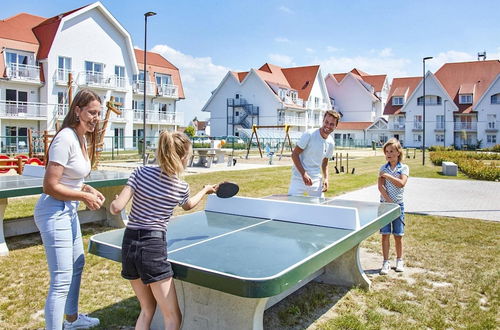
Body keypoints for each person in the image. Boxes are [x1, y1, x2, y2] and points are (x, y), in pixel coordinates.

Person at [110, 131, 217, 330]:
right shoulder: (180, 187)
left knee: (147, 309)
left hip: (129, 245)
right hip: (152, 247)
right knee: (172, 316)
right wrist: (206, 190)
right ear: (183, 157)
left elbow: (116, 208)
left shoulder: (139, 172)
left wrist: (115, 202)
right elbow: (188, 205)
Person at [34, 89, 105, 329]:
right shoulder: (65, 137)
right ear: (77, 110)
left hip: (67, 209)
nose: (96, 117)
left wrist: (87, 188)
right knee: (61, 280)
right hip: (53, 210)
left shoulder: (80, 137)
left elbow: (70, 178)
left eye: (98, 113)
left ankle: (72, 320)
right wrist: (83, 196)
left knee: (77, 263)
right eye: (91, 112)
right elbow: (50, 186)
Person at [288, 110, 340, 197]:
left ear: (336, 126)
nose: (328, 125)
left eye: (332, 124)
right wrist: (304, 174)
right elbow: (294, 155)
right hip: (298, 178)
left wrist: (326, 178)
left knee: (319, 208)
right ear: (323, 121)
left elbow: (325, 162)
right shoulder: (309, 134)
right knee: (292, 207)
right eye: (326, 122)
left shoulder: (331, 143)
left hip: (316, 180)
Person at [378, 138, 409, 275]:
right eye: (386, 152)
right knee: (385, 234)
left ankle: (399, 260)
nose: (388, 154)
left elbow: (401, 183)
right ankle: (385, 262)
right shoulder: (382, 168)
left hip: (398, 206)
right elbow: (381, 186)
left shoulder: (404, 168)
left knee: (398, 235)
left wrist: (388, 176)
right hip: (385, 205)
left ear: (398, 152)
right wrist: (389, 200)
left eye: (391, 151)